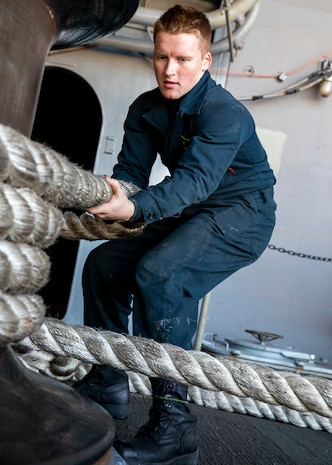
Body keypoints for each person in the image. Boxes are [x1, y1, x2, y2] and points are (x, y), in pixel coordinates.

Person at [73, 4, 277, 465]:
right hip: (190, 209)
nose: (170, 70)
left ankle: (175, 428)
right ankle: (107, 381)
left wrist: (137, 206)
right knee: (105, 264)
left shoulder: (224, 113)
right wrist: (111, 195)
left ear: (205, 60)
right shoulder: (146, 108)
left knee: (161, 274)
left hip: (241, 214)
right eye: (162, 57)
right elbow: (131, 175)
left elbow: (195, 183)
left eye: (183, 59)